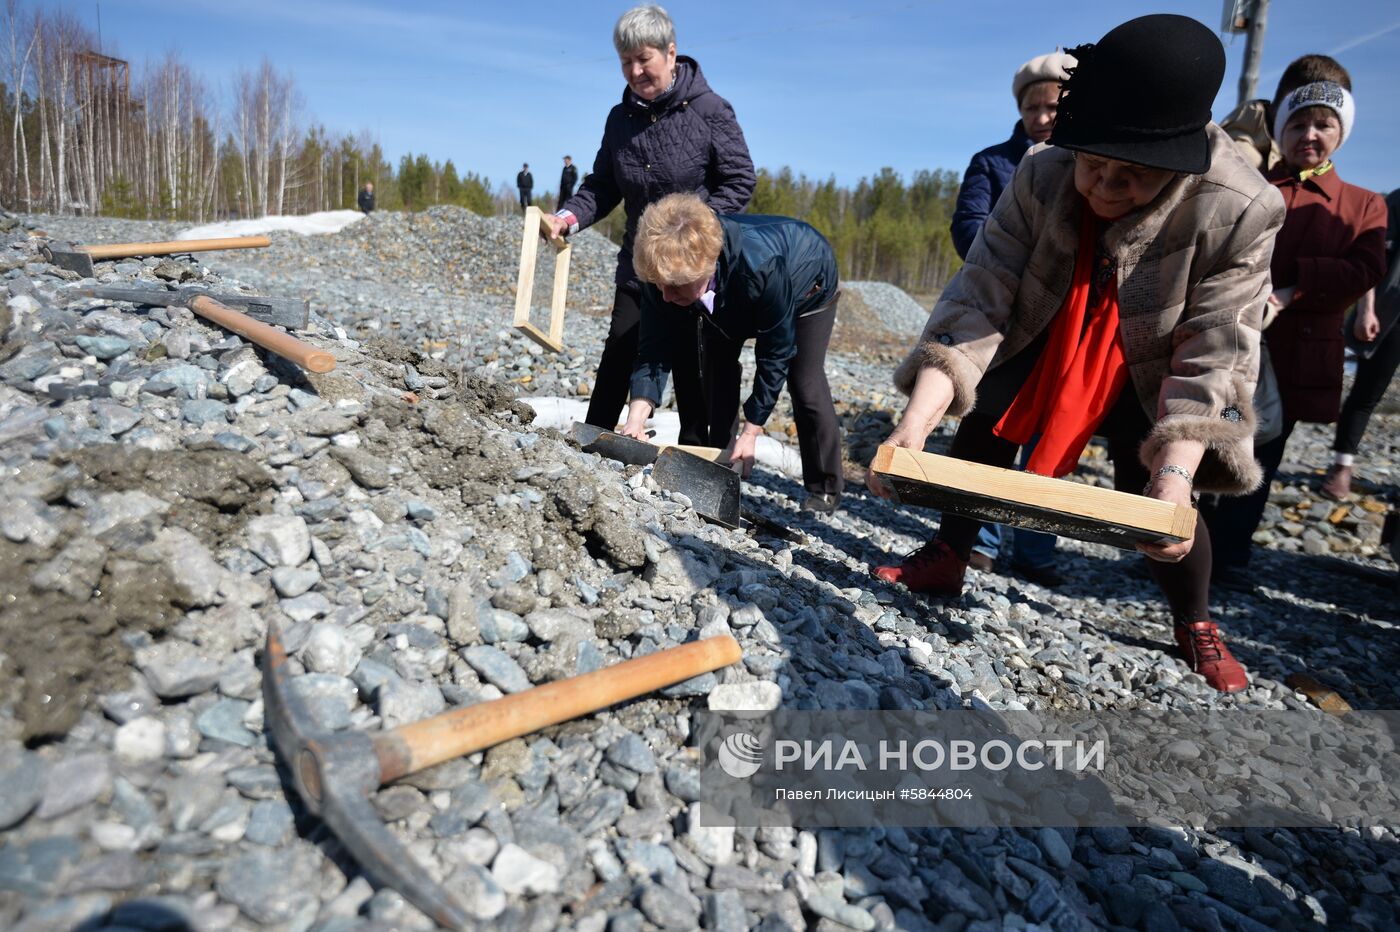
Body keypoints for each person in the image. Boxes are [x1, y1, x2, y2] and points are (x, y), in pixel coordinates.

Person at [867, 14, 1286, 693]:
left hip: (1156, 359)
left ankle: (1195, 620)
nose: (1103, 188)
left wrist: (1176, 476)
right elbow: (980, 296)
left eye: (1133, 176)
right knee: (985, 417)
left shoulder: (1242, 207)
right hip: (1049, 324)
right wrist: (914, 426)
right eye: (1094, 164)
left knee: (1154, 500)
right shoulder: (1041, 173)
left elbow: (1216, 349)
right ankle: (950, 552)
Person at [544, 4, 755, 445]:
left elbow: (739, 180)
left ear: (671, 53)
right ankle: (592, 444)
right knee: (621, 348)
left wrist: (693, 234)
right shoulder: (619, 119)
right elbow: (602, 186)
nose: (636, 70)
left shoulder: (710, 110)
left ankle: (696, 469)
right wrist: (567, 217)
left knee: (692, 367)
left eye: (645, 59)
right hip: (639, 266)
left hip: (693, 266)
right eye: (626, 62)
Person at [1206, 83, 1388, 563]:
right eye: (1297, 124)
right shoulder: (1251, 184)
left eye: (1323, 124)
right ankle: (1185, 548)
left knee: (1265, 453)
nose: (1309, 134)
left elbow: (1366, 268)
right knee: (1213, 437)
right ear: (1280, 133)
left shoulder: (1365, 204)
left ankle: (1229, 557)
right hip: (1229, 345)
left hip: (1297, 353)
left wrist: (1293, 289)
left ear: (1341, 134)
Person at [619, 194, 843, 510]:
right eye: (660, 285)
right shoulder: (662, 271)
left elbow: (775, 352)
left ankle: (825, 487)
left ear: (705, 267)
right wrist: (636, 415)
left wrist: (752, 430)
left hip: (808, 283)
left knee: (804, 380)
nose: (666, 296)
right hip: (731, 292)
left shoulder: (761, 265)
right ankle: (721, 467)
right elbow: (653, 346)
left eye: (676, 286)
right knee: (715, 365)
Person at [950, 49, 1075, 586]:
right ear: (1020, 109)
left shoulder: (1086, 162)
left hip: (1065, 323)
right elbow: (968, 227)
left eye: (1054, 106)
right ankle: (979, 542)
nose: (1044, 117)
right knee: (992, 424)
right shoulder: (993, 163)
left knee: (1054, 435)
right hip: (1003, 314)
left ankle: (1036, 550)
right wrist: (1018, 263)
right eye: (1033, 107)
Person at [1325, 193, 1400, 499]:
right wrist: (1366, 309)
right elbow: (1374, 256)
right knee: (1367, 394)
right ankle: (1342, 466)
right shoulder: (1394, 203)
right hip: (1390, 313)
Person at [1219, 54, 1351, 173]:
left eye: (1323, 125)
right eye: (1301, 119)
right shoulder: (1239, 160)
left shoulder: (1295, 164)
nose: (1309, 136)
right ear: (1285, 103)